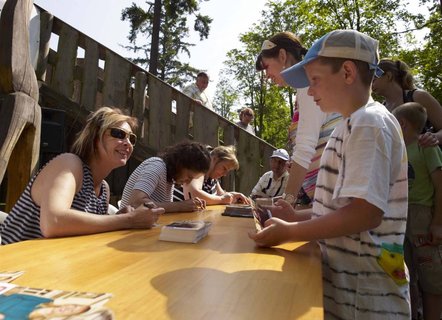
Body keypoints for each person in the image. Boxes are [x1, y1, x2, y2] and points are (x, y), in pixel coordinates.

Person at [250, 30, 411, 319]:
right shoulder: (348, 127)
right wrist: (296, 216)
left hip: (365, 300)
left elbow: (365, 214)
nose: (309, 92)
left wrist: (291, 232)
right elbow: (342, 207)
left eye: (314, 81)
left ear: (347, 72)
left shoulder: (369, 124)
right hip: (348, 292)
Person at [0, 107, 164, 245]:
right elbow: (53, 223)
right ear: (95, 137)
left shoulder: (103, 189)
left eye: (131, 138)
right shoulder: (69, 165)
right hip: (11, 272)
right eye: (119, 134)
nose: (128, 143)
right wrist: (129, 220)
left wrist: (119, 218)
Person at [255, 31, 341, 208]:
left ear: (282, 55)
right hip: (323, 196)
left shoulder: (307, 85)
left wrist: (287, 203)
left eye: (266, 66)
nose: (267, 75)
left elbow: (305, 149)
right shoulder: (305, 87)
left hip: (332, 196)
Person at [392, 102, 442, 320]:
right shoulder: (397, 151)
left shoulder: (427, 147)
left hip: (423, 216)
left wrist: (438, 222)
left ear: (402, 124)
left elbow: (440, 185)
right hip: (400, 216)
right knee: (406, 276)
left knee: (431, 279)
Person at [120, 141, 210, 212]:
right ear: (181, 164)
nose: (188, 182)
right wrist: (180, 206)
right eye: (189, 176)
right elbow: (136, 203)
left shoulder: (169, 178)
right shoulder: (156, 166)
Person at [372, 58, 442, 147]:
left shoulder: (418, 96)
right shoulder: (380, 110)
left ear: (389, 76)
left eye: (373, 80)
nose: (370, 84)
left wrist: (434, 137)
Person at [173, 145, 249, 205]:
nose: (225, 174)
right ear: (214, 159)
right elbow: (193, 194)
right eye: (224, 168)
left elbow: (221, 194)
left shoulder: (212, 177)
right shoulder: (200, 168)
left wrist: (234, 195)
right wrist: (221, 200)